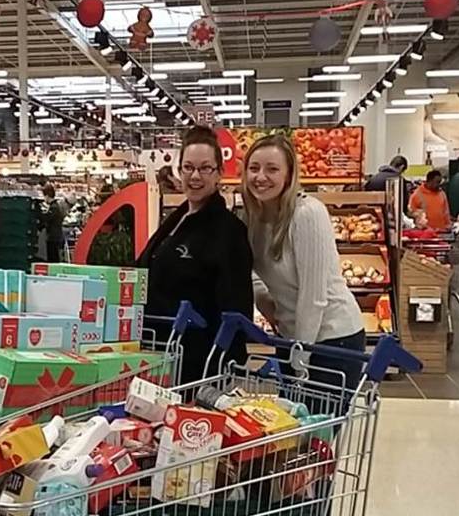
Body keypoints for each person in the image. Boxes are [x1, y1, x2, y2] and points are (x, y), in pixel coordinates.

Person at [242, 134, 365, 411]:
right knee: (291, 436)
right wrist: (270, 306)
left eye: (272, 169)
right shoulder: (254, 218)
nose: (261, 177)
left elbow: (314, 296)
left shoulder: (308, 214)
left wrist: (300, 359)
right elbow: (250, 272)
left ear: (289, 174)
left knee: (317, 433)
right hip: (292, 338)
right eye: (254, 168)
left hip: (332, 339)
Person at [137, 126, 253, 382]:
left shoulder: (229, 231)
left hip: (197, 363)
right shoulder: (177, 218)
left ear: (219, 173)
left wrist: (226, 370)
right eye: (188, 167)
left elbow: (237, 308)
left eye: (205, 168)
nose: (195, 176)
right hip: (161, 353)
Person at [41, 185, 66, 262]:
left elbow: (47, 218)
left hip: (53, 237)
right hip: (56, 236)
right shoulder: (55, 206)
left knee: (53, 257)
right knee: (54, 256)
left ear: (47, 196)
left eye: (44, 196)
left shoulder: (54, 207)